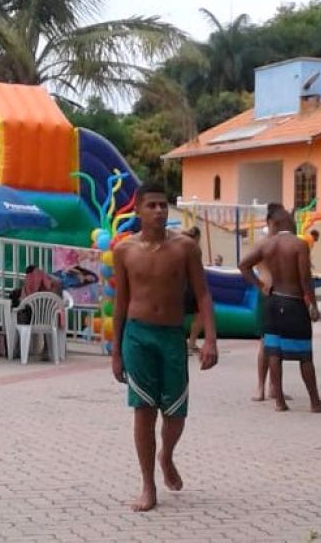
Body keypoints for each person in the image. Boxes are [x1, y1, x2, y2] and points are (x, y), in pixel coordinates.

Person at [111, 182, 218, 512]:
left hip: (172, 335)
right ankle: (148, 486)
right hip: (137, 336)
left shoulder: (185, 248)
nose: (159, 211)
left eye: (163, 205)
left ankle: (166, 455)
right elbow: (121, 301)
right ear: (139, 210)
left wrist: (210, 339)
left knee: (175, 413)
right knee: (143, 411)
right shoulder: (124, 250)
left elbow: (202, 294)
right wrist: (116, 350)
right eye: (152, 205)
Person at [239, 208, 321, 413]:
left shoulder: (267, 245)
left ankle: (279, 401)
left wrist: (260, 285)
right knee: (305, 355)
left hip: (272, 301)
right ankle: (315, 402)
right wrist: (312, 304)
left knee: (274, 352)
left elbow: (243, 265)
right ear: (286, 222)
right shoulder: (299, 244)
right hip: (293, 302)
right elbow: (305, 278)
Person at [251, 202, 286, 402]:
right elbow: (244, 264)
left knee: (279, 343)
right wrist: (259, 283)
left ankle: (275, 385)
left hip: (284, 295)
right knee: (265, 343)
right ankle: (260, 386)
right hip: (267, 294)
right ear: (271, 222)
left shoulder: (287, 242)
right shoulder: (262, 244)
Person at [182, 227, 204, 354]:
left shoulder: (180, 245)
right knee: (198, 314)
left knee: (182, 315)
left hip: (184, 284)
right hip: (190, 285)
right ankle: (190, 342)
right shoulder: (194, 249)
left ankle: (189, 343)